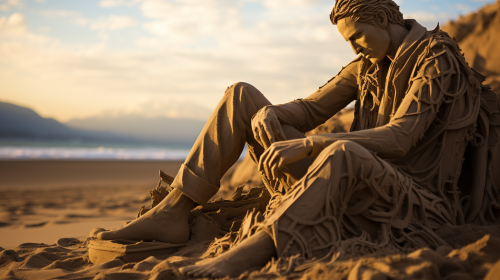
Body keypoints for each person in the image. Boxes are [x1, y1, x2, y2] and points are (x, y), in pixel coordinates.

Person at [98, 0, 500, 277]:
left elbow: (401, 138)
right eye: (348, 42)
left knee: (342, 149)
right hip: (351, 174)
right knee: (242, 95)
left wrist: (311, 144)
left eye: (357, 36)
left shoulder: (437, 58)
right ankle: (173, 209)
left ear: (381, 18)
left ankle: (258, 249)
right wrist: (273, 113)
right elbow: (309, 110)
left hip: (412, 197)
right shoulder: (366, 67)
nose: (354, 47)